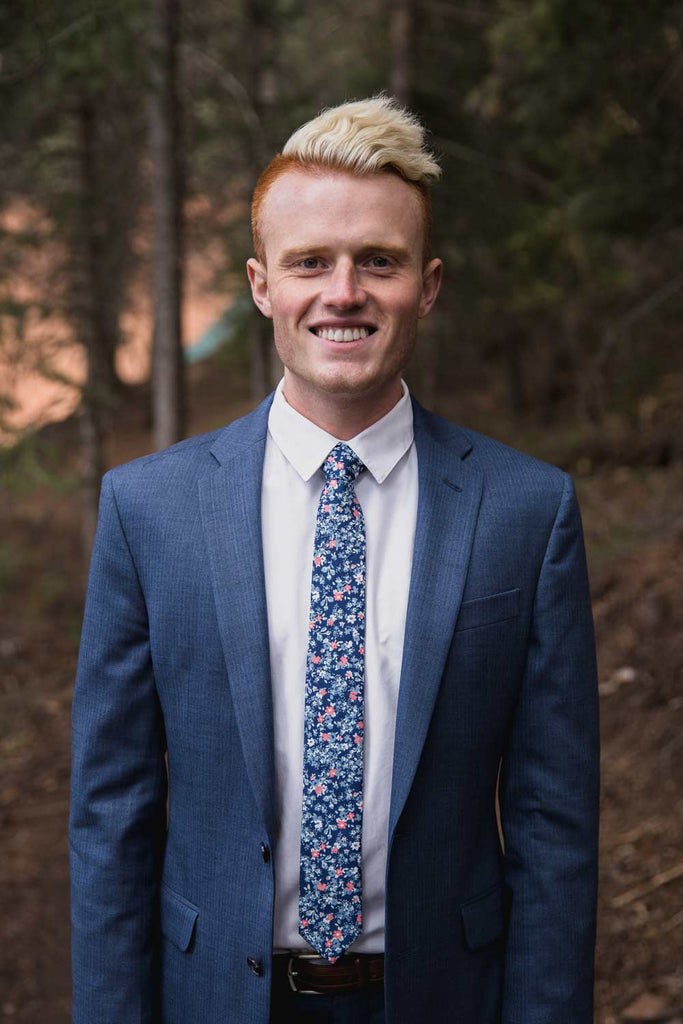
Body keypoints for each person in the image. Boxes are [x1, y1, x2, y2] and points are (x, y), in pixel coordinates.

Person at [69, 96, 600, 1024]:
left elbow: (556, 828)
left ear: (426, 286)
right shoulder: (148, 508)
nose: (343, 291)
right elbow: (110, 817)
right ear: (261, 284)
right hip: (215, 999)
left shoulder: (527, 510)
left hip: (441, 998)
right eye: (309, 261)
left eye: (379, 262)